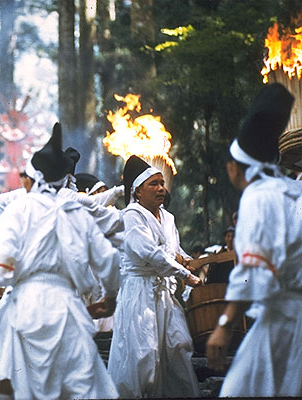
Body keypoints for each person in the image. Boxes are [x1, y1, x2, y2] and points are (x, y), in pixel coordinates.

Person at [0, 123, 121, 399]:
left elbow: (1, 251)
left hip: (25, 308)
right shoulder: (76, 211)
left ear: (32, 179)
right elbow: (108, 258)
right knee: (78, 385)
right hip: (67, 310)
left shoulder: (19, 209)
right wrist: (110, 298)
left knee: (23, 385)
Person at [206, 83, 301, 397]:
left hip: (283, 322)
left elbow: (253, 270)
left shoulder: (257, 198)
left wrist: (224, 323)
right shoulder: (291, 190)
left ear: (235, 168)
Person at [107, 155, 201, 398]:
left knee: (176, 348)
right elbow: (150, 253)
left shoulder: (167, 217)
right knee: (144, 358)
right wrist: (184, 275)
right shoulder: (132, 215)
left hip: (164, 297)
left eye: (162, 183)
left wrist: (187, 260)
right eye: (154, 184)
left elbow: (173, 249)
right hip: (140, 294)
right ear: (137, 191)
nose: (161, 188)